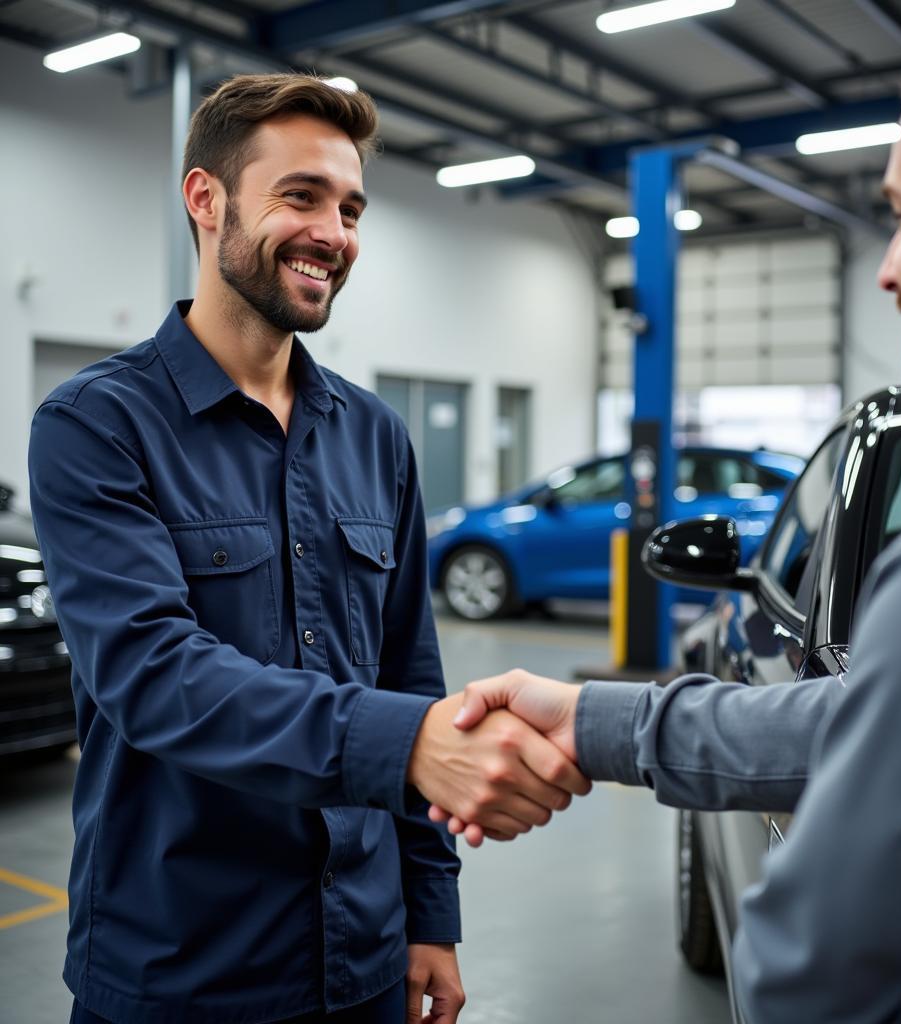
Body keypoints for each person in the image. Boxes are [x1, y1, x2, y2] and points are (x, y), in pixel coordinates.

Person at [430, 15, 901, 1023]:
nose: (886, 270)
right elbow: (890, 714)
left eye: (900, 213)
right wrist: (591, 716)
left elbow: (804, 976)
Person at [29, 74, 589, 1024]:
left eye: (351, 207)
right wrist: (407, 746)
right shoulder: (96, 425)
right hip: (181, 969)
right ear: (206, 200)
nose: (334, 232)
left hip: (363, 961)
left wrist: (430, 916)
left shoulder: (375, 437)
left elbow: (413, 672)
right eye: (300, 197)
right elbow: (151, 673)